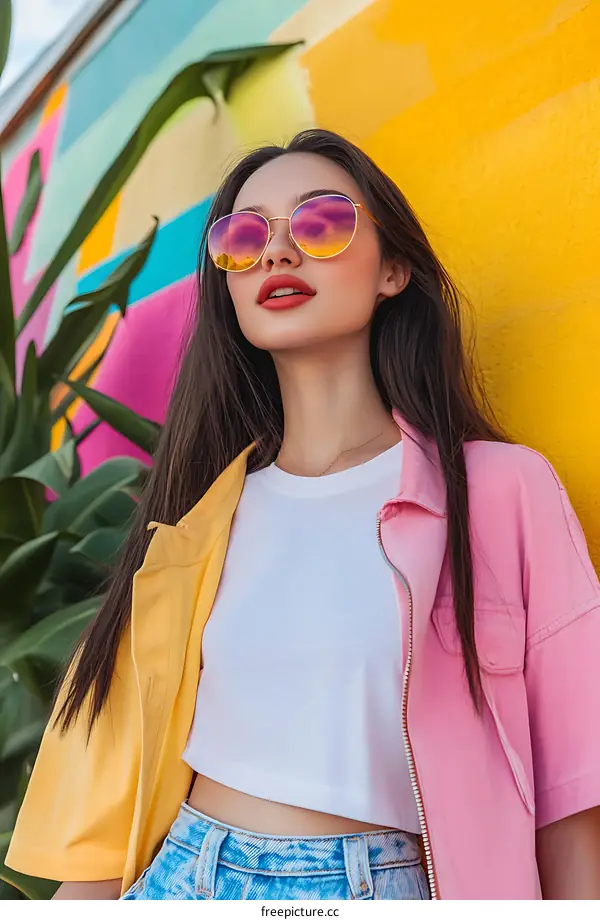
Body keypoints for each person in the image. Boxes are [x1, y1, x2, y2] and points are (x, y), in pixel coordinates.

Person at [5, 129, 600, 901]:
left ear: (393, 269)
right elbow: (116, 798)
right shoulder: (197, 522)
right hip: (182, 873)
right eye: (243, 237)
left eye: (320, 223)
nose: (276, 255)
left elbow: (572, 791)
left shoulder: (499, 492)